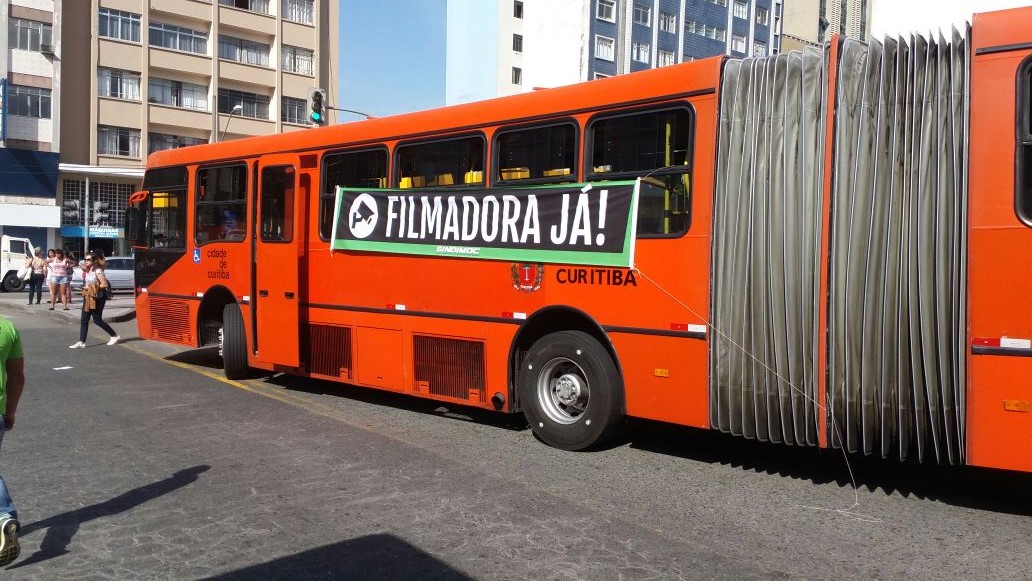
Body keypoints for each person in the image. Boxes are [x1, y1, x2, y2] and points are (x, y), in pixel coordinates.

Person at [0, 316, 25, 566]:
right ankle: (4, 518)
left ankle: (3, 515)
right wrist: (10, 412)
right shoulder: (7, 327)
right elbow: (17, 376)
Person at [69, 253, 119, 348]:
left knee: (97, 320)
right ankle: (81, 342)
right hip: (88, 296)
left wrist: (90, 287)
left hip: (98, 298)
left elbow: (104, 284)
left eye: (88, 260)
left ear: (94, 261)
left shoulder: (98, 271)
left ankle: (114, 335)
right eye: (85, 259)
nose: (86, 261)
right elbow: (80, 263)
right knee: (84, 320)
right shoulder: (88, 270)